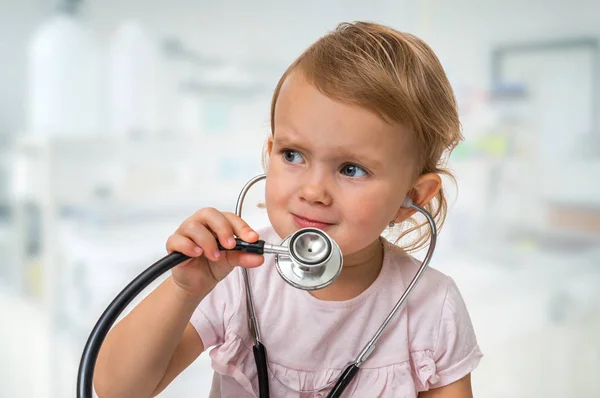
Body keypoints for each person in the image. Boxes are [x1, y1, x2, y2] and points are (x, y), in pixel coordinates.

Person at [94, 21, 483, 398]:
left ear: (412, 196)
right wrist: (183, 290)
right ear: (269, 153)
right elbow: (117, 390)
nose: (313, 191)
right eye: (293, 155)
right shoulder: (234, 274)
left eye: (352, 169)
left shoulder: (433, 307)